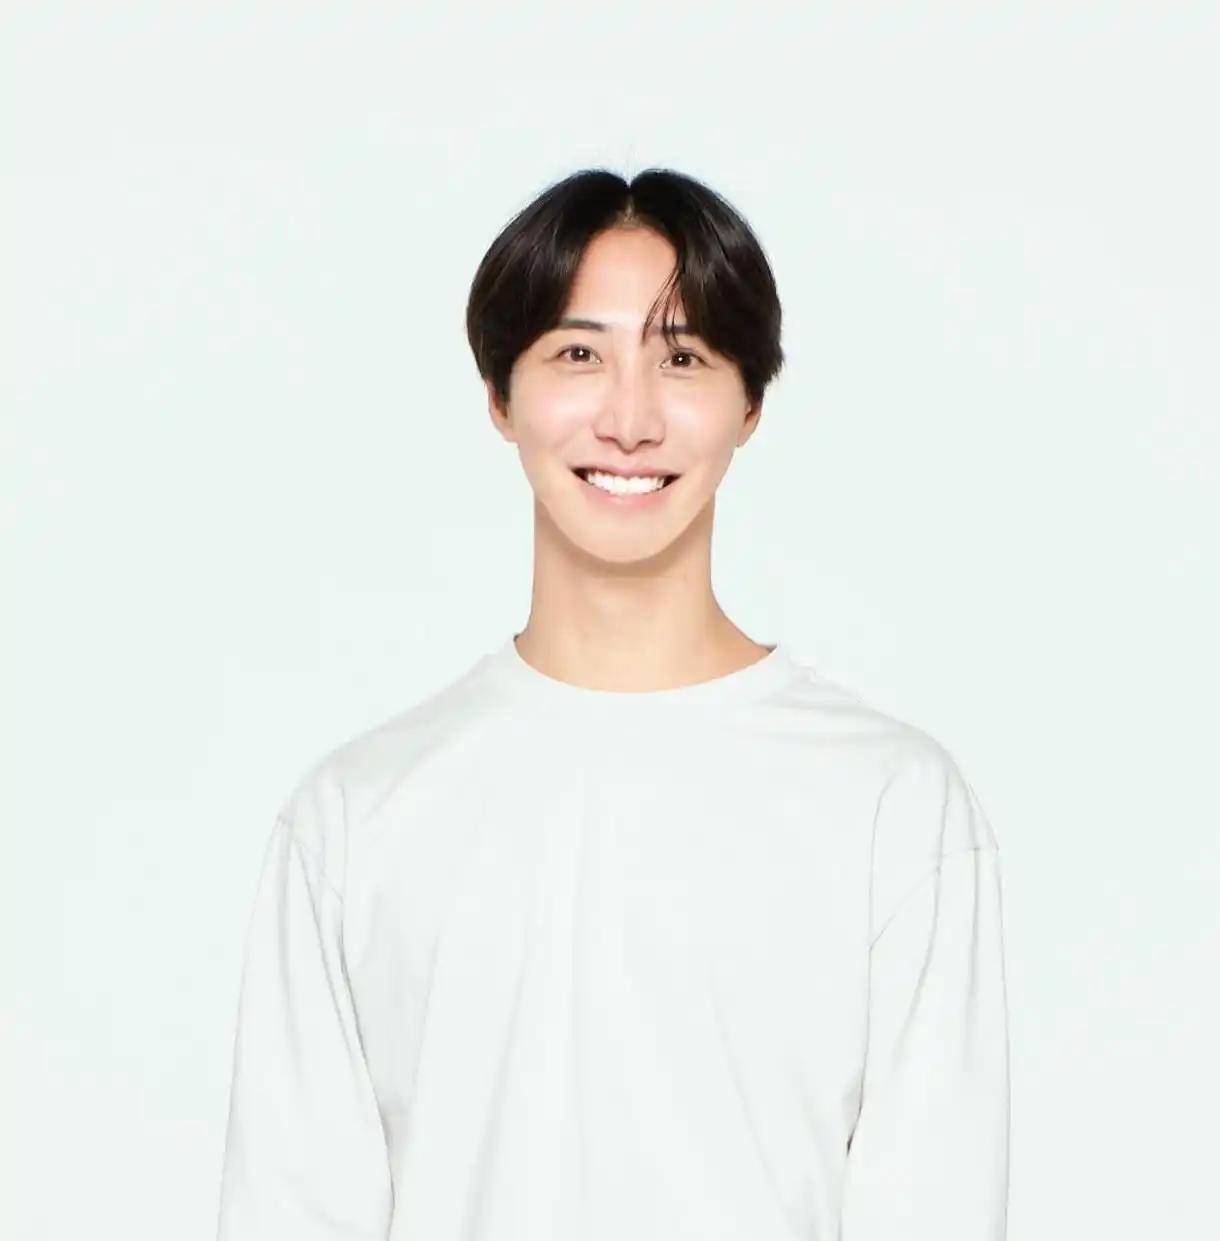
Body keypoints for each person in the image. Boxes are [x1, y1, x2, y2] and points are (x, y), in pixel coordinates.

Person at [215, 167, 1010, 1241]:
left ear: (750, 403)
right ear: (499, 395)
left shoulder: (894, 806)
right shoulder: (356, 815)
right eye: (578, 354)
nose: (629, 419)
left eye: (682, 357)